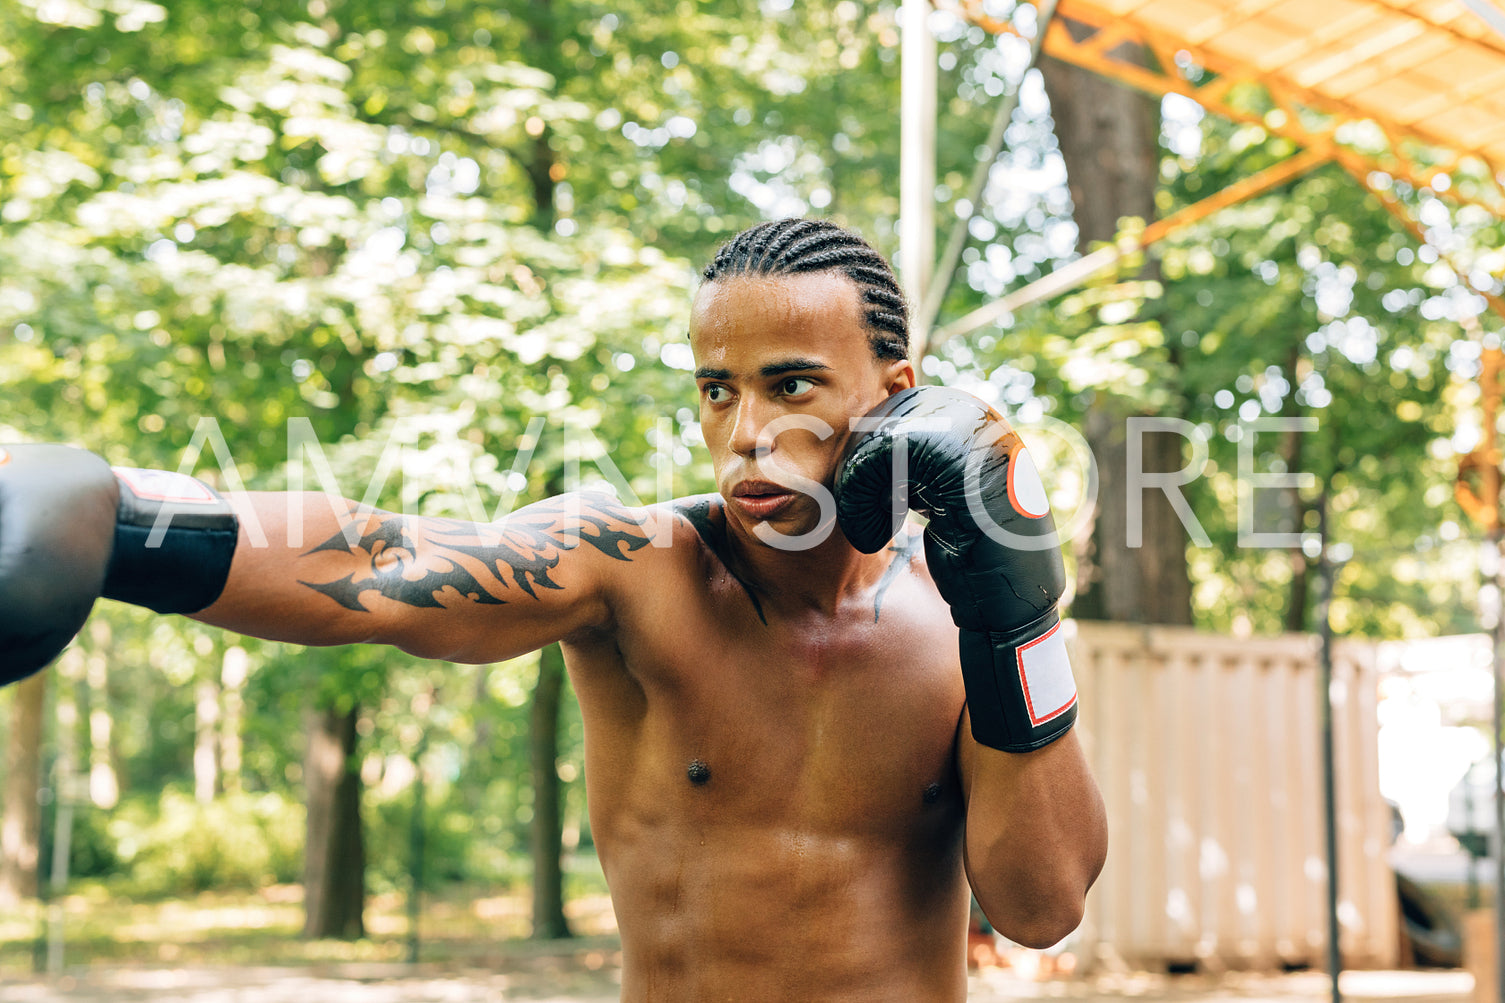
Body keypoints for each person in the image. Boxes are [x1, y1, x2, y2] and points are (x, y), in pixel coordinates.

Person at [0, 218, 1106, 1001]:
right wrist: (128, 518)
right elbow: (391, 563)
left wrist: (1016, 619)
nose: (743, 432)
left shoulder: (963, 634)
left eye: (789, 383)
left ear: (894, 395)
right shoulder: (636, 567)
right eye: (715, 390)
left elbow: (1041, 904)